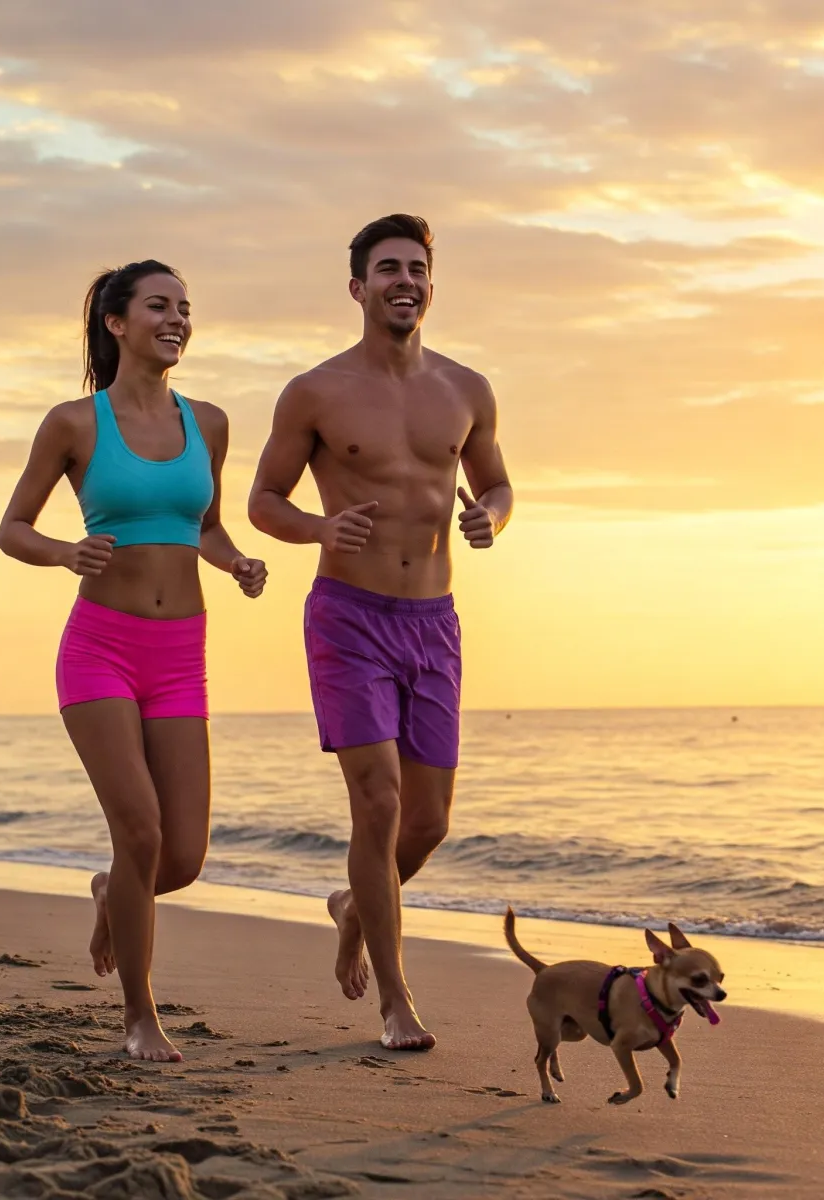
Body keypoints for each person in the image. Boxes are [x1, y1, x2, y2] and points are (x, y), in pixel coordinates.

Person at [248, 215, 513, 1050]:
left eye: (418, 268)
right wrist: (316, 531)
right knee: (378, 801)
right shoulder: (315, 392)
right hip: (348, 618)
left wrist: (492, 522)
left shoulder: (467, 389)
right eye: (388, 268)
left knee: (427, 824)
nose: (405, 280)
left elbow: (498, 483)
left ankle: (354, 907)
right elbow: (264, 501)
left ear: (432, 285)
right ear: (357, 287)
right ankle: (396, 999)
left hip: (434, 623)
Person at [0, 260, 267, 1062]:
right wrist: (63, 553)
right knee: (141, 829)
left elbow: (205, 525)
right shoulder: (75, 424)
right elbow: (13, 526)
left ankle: (112, 891)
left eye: (186, 307)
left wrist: (237, 561)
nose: (178, 319)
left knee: (181, 856)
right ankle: (139, 1015)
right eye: (160, 306)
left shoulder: (210, 422)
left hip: (182, 653)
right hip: (100, 650)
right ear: (117, 323)